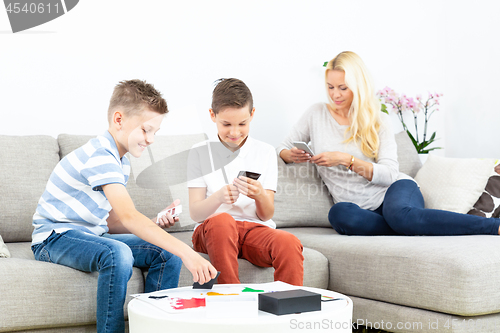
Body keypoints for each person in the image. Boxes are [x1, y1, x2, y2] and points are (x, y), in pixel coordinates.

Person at [31, 79, 217, 333]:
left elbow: (110, 221)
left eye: (155, 132)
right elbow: (129, 216)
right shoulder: (100, 155)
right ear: (119, 120)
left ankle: (156, 327)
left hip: (90, 235)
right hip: (53, 239)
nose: (150, 139)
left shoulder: (121, 161)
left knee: (167, 252)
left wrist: (152, 225)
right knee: (117, 253)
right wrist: (190, 254)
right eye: (145, 130)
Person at [277, 51, 500, 236]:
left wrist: (347, 160)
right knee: (340, 215)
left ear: (358, 86)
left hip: (395, 190)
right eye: (330, 87)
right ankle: (404, 227)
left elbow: (390, 174)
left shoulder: (378, 120)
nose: (335, 94)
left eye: (342, 88)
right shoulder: (315, 114)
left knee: (399, 215)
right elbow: (282, 147)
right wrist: (291, 155)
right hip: (359, 208)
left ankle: (493, 227)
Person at [187, 78, 304, 285]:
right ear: (212, 115)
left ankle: (288, 306)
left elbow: (266, 214)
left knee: (289, 242)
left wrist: (259, 195)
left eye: (242, 124)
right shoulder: (199, 152)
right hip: (213, 230)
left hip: (254, 229)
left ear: (252, 114)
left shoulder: (266, 152)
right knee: (222, 221)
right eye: (226, 124)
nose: (234, 132)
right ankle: (230, 295)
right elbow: (196, 213)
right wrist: (217, 198)